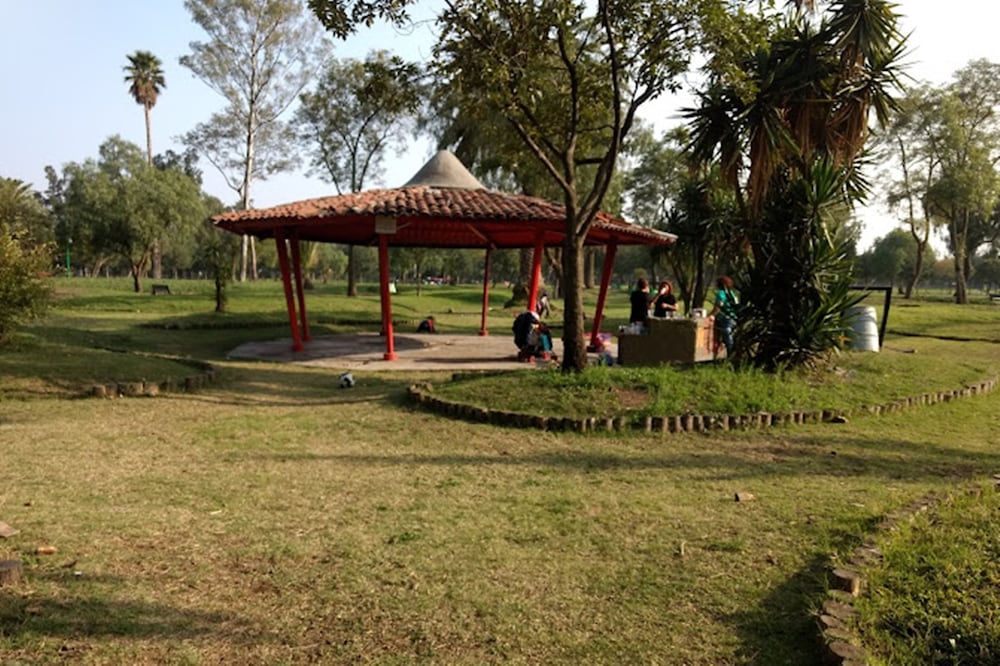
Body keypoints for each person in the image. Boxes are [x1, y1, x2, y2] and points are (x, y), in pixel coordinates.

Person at [710, 275, 738, 357]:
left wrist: (712, 315)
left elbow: (719, 305)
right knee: (729, 335)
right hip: (734, 317)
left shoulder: (721, 293)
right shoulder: (732, 293)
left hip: (725, 318)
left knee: (727, 336)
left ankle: (731, 354)